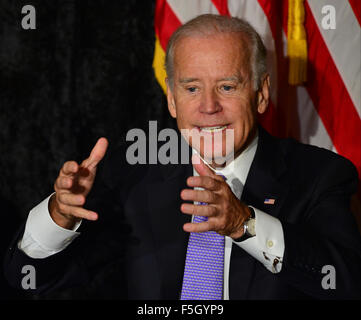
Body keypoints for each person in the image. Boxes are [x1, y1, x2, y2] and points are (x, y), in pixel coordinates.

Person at [4, 14, 361, 300]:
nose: (208, 106)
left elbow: (345, 282)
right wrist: (59, 217)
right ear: (172, 100)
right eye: (191, 88)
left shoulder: (319, 175)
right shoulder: (134, 177)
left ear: (261, 94)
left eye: (227, 86)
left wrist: (244, 224)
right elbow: (28, 279)